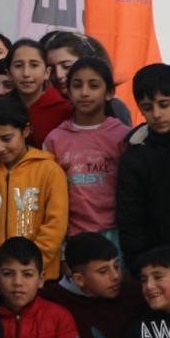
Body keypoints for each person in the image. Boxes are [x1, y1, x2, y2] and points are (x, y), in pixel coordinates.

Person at [0, 99, 68, 279]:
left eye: (6, 139)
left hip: (40, 278)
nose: (0, 148)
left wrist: (30, 269)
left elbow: (55, 226)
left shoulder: (50, 171)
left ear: (25, 131)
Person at [42, 55, 128, 242]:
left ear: (109, 93)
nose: (84, 92)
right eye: (77, 85)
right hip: (72, 236)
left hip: (116, 234)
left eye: (94, 86)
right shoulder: (55, 139)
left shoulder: (123, 136)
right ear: (68, 91)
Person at [114, 63, 170, 263]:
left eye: (164, 104)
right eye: (147, 107)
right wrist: (141, 265)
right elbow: (131, 219)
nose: (156, 114)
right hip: (154, 263)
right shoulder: (134, 157)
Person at [5, 39, 71, 145]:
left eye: (34, 65)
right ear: (9, 74)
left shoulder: (67, 111)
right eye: (18, 66)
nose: (26, 73)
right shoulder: (0, 110)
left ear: (47, 72)